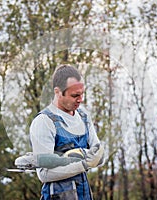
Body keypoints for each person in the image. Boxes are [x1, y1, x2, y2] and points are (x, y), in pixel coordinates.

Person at [29, 65, 104, 200]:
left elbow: (98, 155)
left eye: (82, 94)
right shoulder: (44, 122)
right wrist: (83, 163)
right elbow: (44, 173)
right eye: (75, 95)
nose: (80, 99)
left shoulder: (84, 117)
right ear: (58, 92)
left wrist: (84, 157)